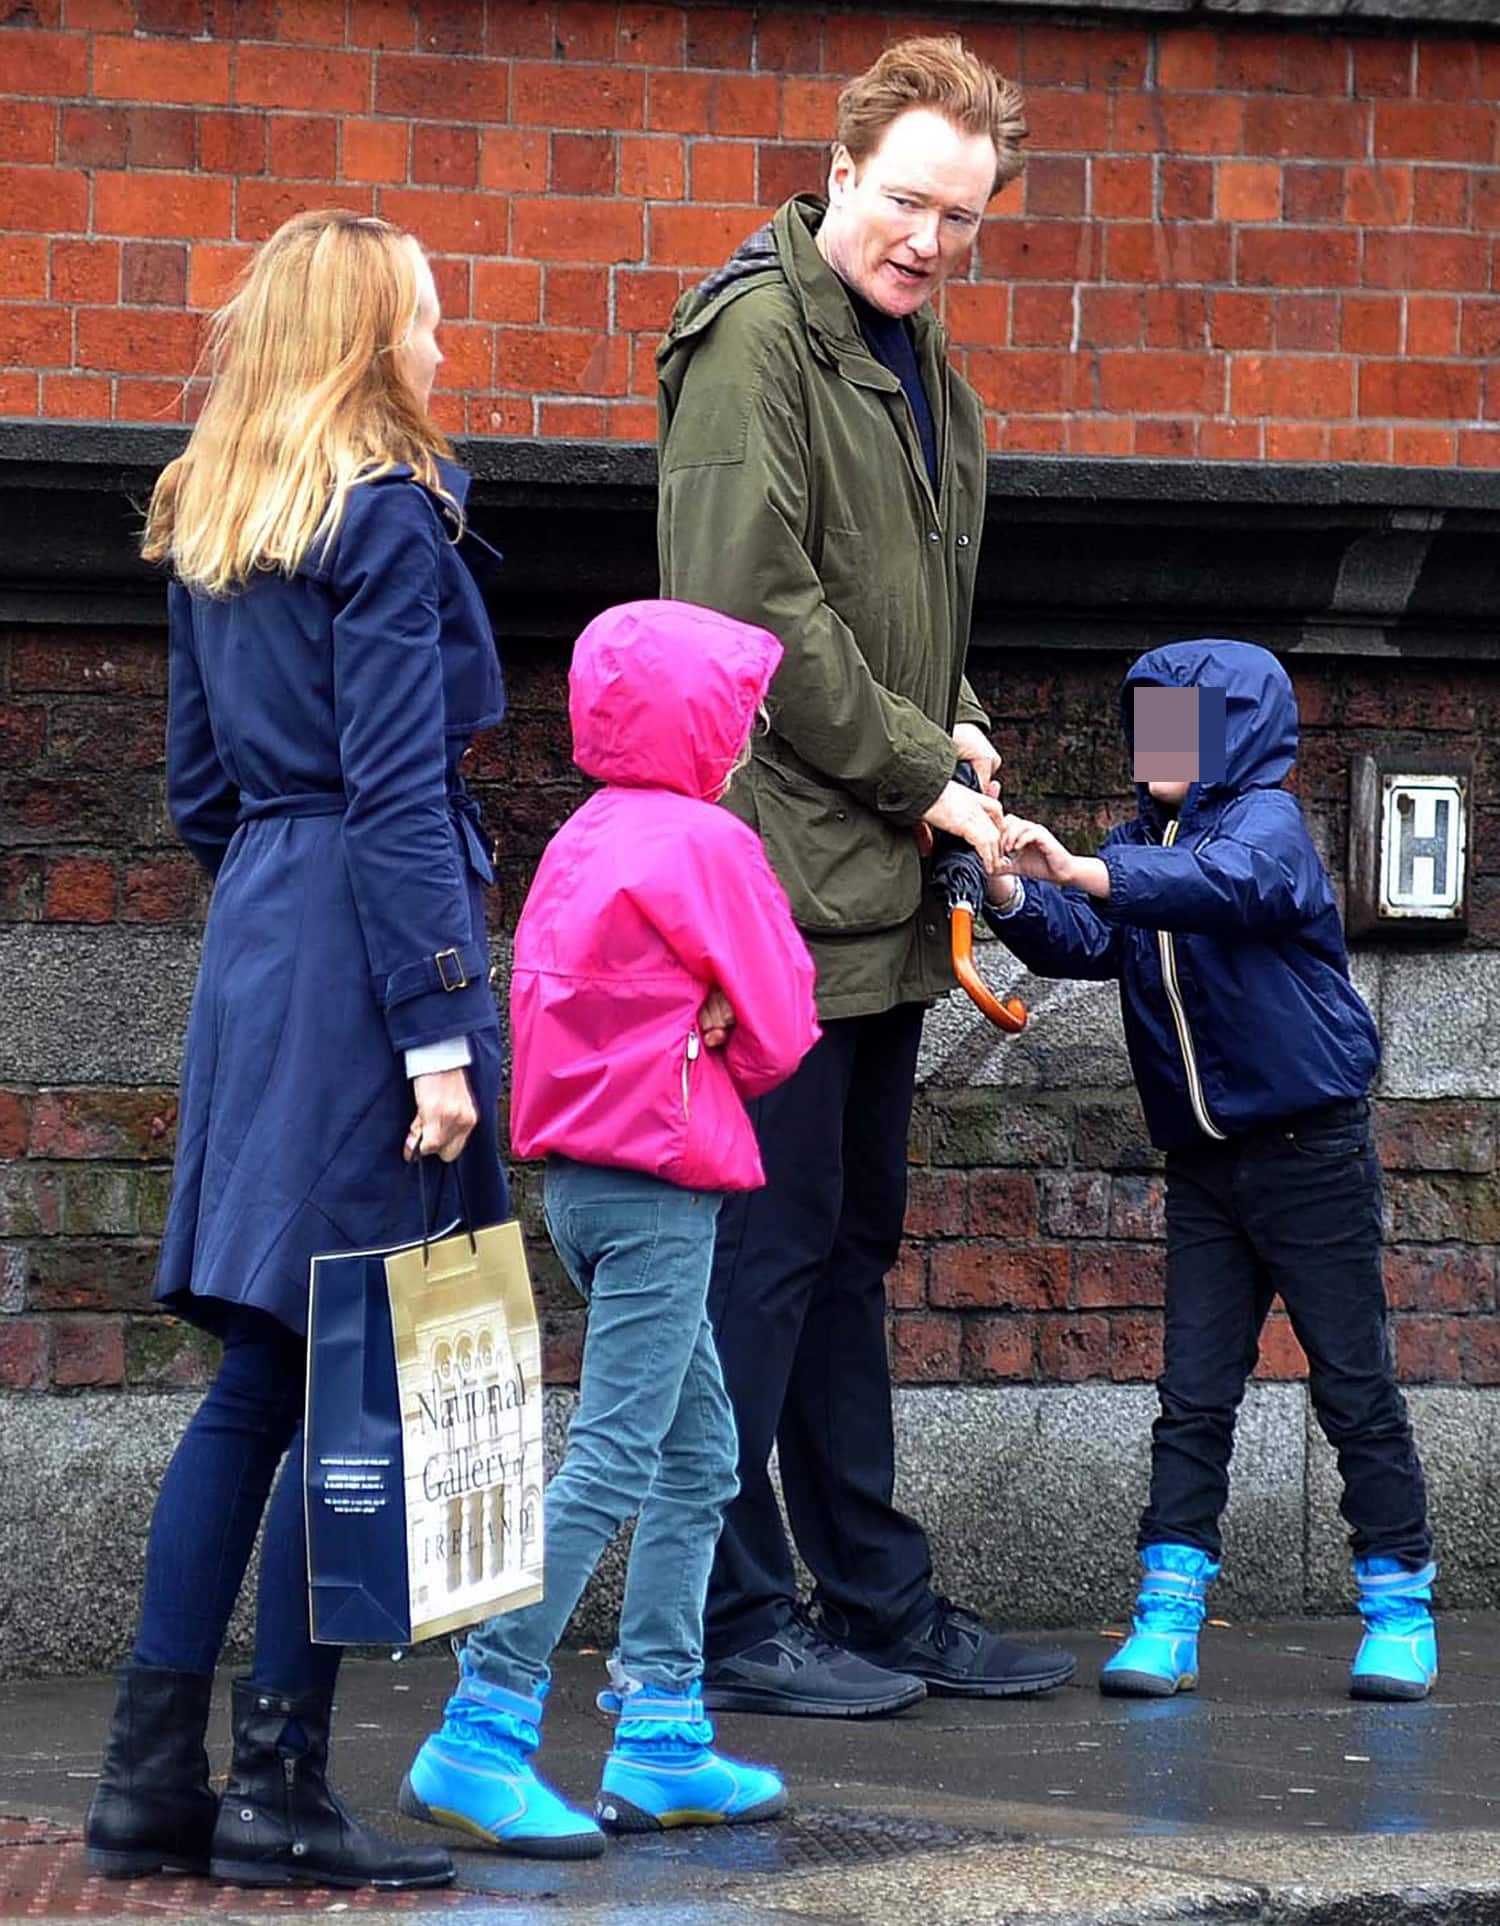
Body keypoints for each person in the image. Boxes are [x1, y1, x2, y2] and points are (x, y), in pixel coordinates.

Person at [85, 209, 510, 1892]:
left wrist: (285, 904)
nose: (442, 350)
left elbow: (199, 787)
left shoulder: (214, 517)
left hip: (264, 932)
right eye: (422, 320)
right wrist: (428, 1030)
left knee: (261, 1378)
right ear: (362, 339)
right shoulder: (392, 511)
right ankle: (278, 1788)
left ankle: (141, 1783)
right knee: (361, 1379)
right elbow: (406, 786)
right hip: (369, 949)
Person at [655, 34, 1076, 1715]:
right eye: (908, 200)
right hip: (777, 882)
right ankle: (732, 1619)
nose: (930, 237)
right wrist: (920, 770)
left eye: (963, 216)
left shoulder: (915, 361)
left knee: (843, 1243)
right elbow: (755, 617)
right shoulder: (756, 339)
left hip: (880, 877)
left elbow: (910, 616)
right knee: (766, 1253)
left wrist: (957, 734)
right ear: (841, 170)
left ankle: (875, 1599)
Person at [401, 599, 822, 1855]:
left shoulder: (585, 836)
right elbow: (787, 1015)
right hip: (659, 1185)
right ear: (701, 720)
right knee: (623, 1455)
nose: (747, 734)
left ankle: (665, 1736)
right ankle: (480, 1730)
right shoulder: (706, 842)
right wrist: (727, 1038)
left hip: (582, 1184)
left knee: (699, 1453)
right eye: (737, 711)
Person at [987, 638, 1437, 1702]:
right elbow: (1086, 935)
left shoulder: (1266, 826)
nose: (1157, 746)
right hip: (1204, 1165)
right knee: (1192, 1394)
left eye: (1178, 722)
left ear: (1231, 729)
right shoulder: (1143, 840)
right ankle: (1168, 1611)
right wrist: (1012, 891)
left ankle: (1399, 1606)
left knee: (1353, 1384)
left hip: (1308, 1150)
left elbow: (1223, 888)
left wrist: (1092, 870)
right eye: (1148, 723)